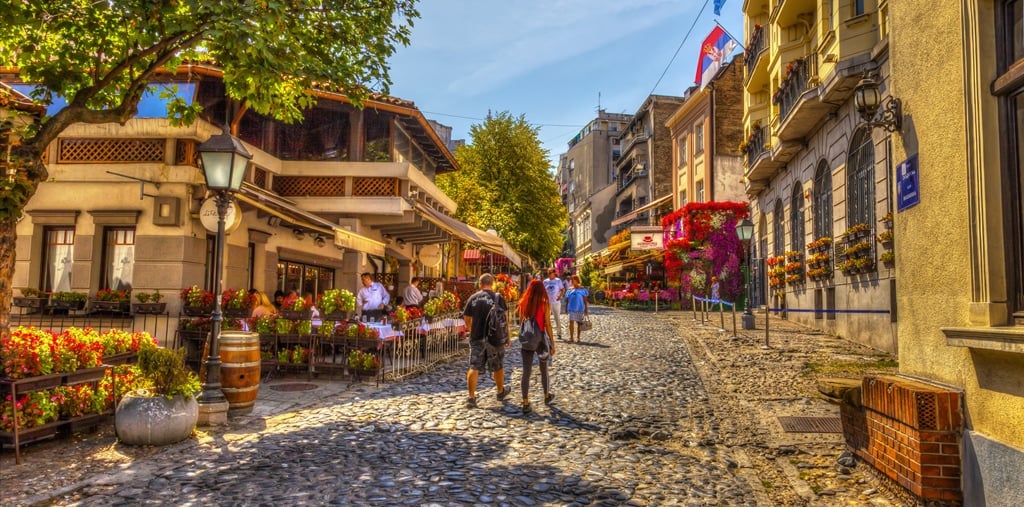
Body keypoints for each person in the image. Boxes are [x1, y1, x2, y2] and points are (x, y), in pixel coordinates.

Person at [461, 273, 511, 409]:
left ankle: (471, 397)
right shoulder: (498, 297)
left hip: (477, 337)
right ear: (493, 284)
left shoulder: (473, 298)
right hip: (495, 337)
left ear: (480, 284)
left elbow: (466, 319)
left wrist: (472, 330)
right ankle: (500, 391)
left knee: (474, 366)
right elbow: (504, 320)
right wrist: (507, 336)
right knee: (498, 366)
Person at [517, 279, 556, 414]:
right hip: (540, 340)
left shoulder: (523, 303)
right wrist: (552, 342)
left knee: (526, 371)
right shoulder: (544, 304)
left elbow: (521, 322)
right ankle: (546, 395)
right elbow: (548, 324)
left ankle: (525, 401)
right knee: (543, 368)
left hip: (527, 340)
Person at [565, 275, 590, 343]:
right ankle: (571, 337)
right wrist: (566, 308)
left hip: (580, 308)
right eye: (572, 280)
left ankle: (578, 337)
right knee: (571, 322)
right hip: (571, 308)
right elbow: (567, 300)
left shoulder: (582, 289)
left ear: (577, 280)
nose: (573, 281)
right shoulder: (570, 289)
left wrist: (586, 310)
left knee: (579, 323)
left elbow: (585, 300)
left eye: (574, 280)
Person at [542, 268, 566, 340]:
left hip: (556, 302)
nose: (549, 274)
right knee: (546, 318)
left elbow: (563, 290)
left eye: (551, 272)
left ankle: (559, 333)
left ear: (554, 273)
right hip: (547, 303)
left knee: (557, 318)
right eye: (548, 272)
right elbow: (542, 291)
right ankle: (546, 333)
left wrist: (560, 296)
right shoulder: (545, 281)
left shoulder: (558, 281)